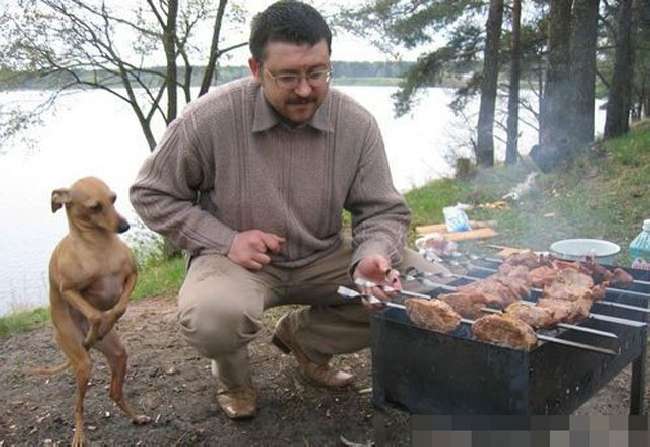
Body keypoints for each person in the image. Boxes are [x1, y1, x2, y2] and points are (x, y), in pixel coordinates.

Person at [130, 0, 448, 420]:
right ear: (256, 69)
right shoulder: (208, 118)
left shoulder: (357, 124)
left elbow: (383, 211)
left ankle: (307, 341)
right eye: (288, 76)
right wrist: (225, 240)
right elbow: (150, 193)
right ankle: (234, 381)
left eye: (317, 73)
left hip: (324, 256)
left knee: (429, 287)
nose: (304, 89)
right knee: (213, 317)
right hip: (240, 262)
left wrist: (373, 254)